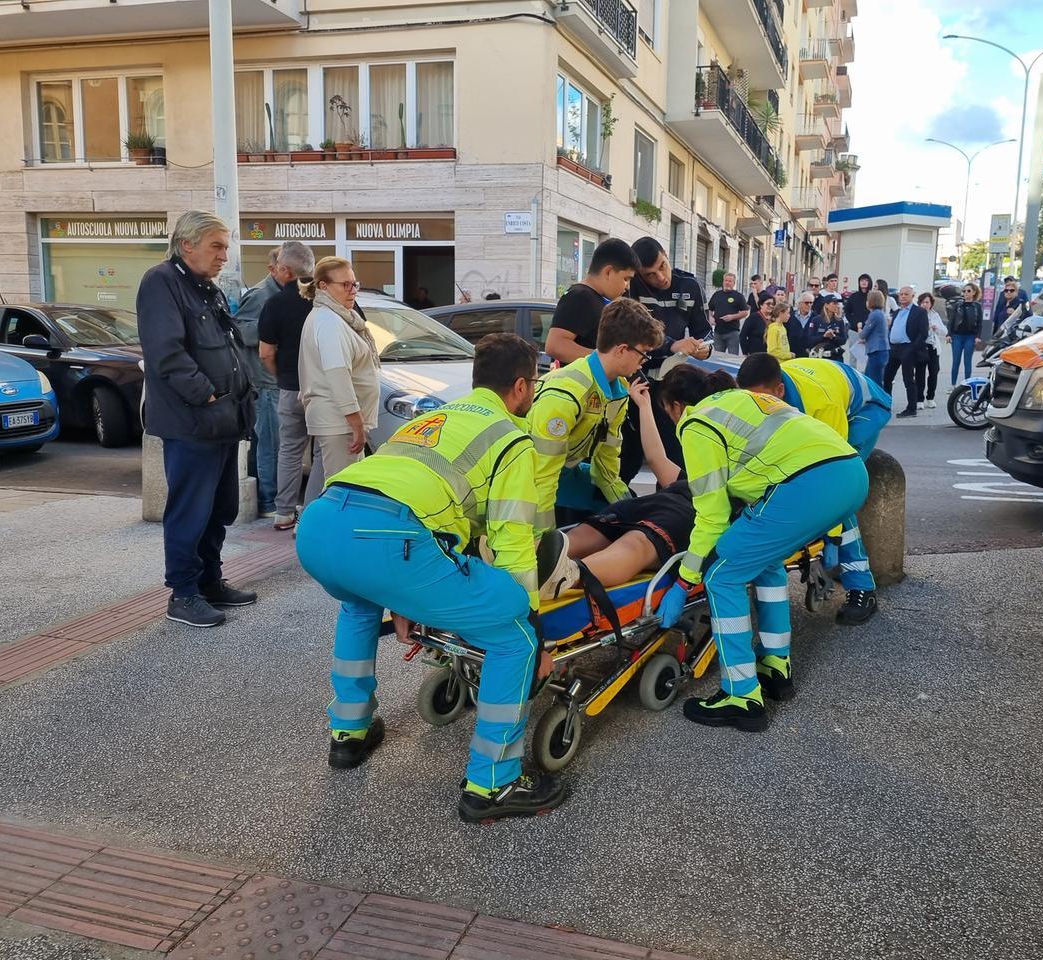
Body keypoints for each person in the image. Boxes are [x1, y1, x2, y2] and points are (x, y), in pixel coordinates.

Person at [296, 333, 566, 821]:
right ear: (522, 387)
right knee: (516, 638)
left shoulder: (436, 418)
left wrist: (406, 591)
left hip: (321, 525)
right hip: (389, 541)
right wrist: (531, 619)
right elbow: (512, 543)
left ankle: (349, 732)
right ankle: (494, 785)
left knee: (358, 605)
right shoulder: (509, 437)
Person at [656, 384, 868, 732]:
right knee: (765, 561)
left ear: (676, 406)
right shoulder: (740, 401)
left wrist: (684, 580)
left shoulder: (696, 425)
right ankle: (774, 666)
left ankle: (741, 696)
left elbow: (711, 517)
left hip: (807, 483)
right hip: (851, 473)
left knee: (723, 575)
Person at [137, 211, 257, 629]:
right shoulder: (161, 282)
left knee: (219, 508)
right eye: (217, 246)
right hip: (193, 422)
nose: (225, 255)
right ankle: (183, 594)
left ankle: (210, 581)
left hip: (223, 420)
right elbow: (166, 354)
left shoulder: (207, 288)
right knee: (190, 510)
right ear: (187, 244)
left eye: (226, 246)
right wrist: (206, 395)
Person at [543, 367, 738, 598]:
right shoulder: (732, 467)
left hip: (662, 501)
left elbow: (656, 458)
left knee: (587, 533)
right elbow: (657, 458)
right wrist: (644, 406)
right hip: (683, 510)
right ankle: (569, 574)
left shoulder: (696, 455)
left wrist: (645, 407)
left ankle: (526, 565)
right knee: (638, 544)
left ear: (677, 406)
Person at [736, 352, 892, 624]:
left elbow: (835, 474)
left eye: (764, 400)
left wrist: (829, 537)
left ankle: (862, 589)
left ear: (780, 390)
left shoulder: (821, 404)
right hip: (824, 382)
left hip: (866, 409)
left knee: (835, 497)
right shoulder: (765, 390)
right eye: (752, 401)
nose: (757, 407)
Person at [529, 298, 662, 533]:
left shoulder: (617, 392)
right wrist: (544, 541)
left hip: (562, 471)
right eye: (644, 355)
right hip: (528, 478)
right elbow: (541, 476)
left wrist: (631, 513)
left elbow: (607, 464)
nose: (644, 363)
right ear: (622, 350)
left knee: (623, 506)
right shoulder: (567, 394)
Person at [623, 238, 713, 481]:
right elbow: (633, 329)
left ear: (667, 255)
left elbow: (705, 330)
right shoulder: (632, 288)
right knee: (627, 457)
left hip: (671, 386)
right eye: (650, 274)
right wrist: (671, 343)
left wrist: (704, 347)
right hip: (636, 381)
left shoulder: (690, 285)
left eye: (663, 266)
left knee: (675, 458)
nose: (660, 277)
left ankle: (670, 510)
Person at [237, 243, 313, 518]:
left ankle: (276, 502)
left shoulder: (294, 294)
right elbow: (240, 330)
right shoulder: (262, 295)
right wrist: (273, 330)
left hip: (282, 382)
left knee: (282, 447)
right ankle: (268, 502)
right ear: (278, 269)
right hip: (268, 382)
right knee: (271, 446)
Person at [298, 257, 380, 490]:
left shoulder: (335, 317)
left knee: (330, 483)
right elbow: (338, 375)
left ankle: (308, 525)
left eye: (355, 284)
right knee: (343, 489)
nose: (352, 290)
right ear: (323, 286)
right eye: (345, 284)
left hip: (336, 419)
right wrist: (356, 425)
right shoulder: (329, 321)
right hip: (339, 421)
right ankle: (320, 527)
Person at [259, 246, 317, 531]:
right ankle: (312, 513)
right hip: (324, 390)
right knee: (323, 452)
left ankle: (283, 513)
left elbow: (265, 353)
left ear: (286, 271)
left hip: (290, 388)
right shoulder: (330, 297)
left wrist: (282, 376)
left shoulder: (275, 303)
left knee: (290, 451)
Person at [546, 239, 639, 364]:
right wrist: (608, 359)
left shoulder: (594, 298)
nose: (627, 286)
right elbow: (555, 346)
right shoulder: (579, 297)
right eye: (626, 279)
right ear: (608, 272)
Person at [883, 286, 929, 418]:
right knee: (887, 377)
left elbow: (923, 333)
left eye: (906, 294)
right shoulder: (897, 312)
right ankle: (887, 404)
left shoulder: (919, 312)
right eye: (901, 294)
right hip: (894, 348)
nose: (903, 296)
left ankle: (911, 408)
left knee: (908, 379)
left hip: (908, 348)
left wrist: (912, 348)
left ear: (912, 296)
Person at [946, 282, 984, 385]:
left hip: (970, 337)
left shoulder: (977, 306)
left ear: (974, 293)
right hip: (957, 336)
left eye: (968, 291)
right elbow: (951, 321)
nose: (966, 293)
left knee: (967, 361)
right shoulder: (958, 305)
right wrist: (948, 334)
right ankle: (953, 385)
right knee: (956, 361)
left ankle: (967, 384)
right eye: (964, 291)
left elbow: (980, 322)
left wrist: (978, 336)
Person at [915, 292, 947, 409]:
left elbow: (944, 331)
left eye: (927, 302)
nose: (925, 304)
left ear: (931, 304)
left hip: (933, 347)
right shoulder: (916, 315)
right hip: (921, 347)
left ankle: (930, 397)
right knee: (920, 373)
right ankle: (919, 399)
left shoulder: (935, 315)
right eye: (922, 302)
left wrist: (936, 327)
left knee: (934, 372)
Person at [708, 271, 749, 354]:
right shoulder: (717, 294)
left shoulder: (738, 296)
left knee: (732, 357)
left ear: (734, 283)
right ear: (723, 282)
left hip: (732, 332)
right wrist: (710, 318)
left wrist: (732, 317)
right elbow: (709, 309)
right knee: (718, 357)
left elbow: (745, 312)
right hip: (718, 332)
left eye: (730, 281)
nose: (727, 283)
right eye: (725, 280)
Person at [804, 292, 848, 361]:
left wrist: (833, 337)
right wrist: (824, 336)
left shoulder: (839, 321)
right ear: (826, 305)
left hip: (835, 357)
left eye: (837, 303)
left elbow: (843, 340)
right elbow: (810, 340)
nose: (836, 306)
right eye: (834, 303)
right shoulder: (816, 320)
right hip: (819, 357)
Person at [859, 289, 889, 385]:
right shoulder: (881, 314)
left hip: (877, 352)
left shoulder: (874, 315)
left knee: (874, 381)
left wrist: (859, 328)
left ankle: (879, 400)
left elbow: (863, 334)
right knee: (871, 377)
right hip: (881, 350)